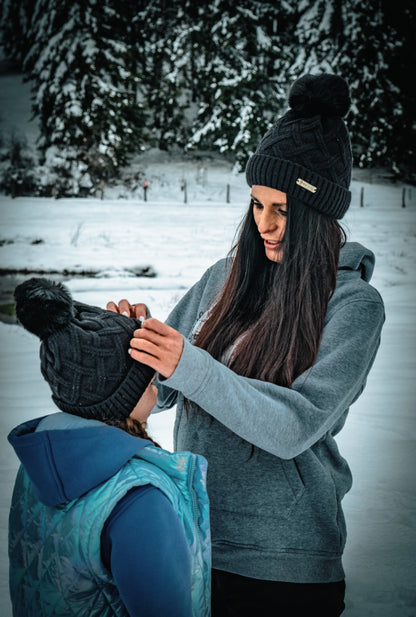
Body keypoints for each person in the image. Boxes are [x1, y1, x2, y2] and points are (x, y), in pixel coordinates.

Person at [107, 74, 385, 616]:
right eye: (257, 205)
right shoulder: (225, 276)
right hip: (193, 537)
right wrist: (128, 341)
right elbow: (164, 389)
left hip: (285, 565)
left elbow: (293, 427)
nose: (265, 224)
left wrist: (191, 366)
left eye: (283, 209)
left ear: (319, 214)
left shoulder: (353, 307)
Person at [8, 278, 211, 617]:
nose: (157, 391)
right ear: (118, 399)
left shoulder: (40, 466)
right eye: (148, 381)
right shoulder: (139, 500)